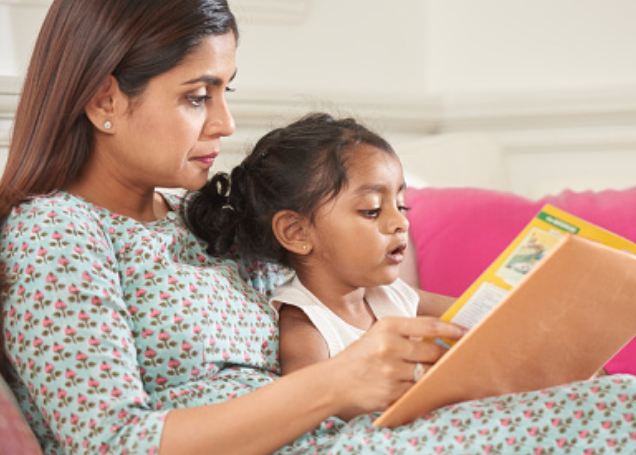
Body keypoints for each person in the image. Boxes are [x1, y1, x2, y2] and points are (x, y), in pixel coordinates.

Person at [0, 0, 636, 455]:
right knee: (596, 421)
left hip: (340, 448)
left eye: (226, 88)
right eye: (196, 95)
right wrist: (338, 386)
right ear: (105, 98)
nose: (225, 120)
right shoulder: (55, 236)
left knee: (594, 401)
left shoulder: (199, 217)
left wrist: (540, 309)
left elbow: (355, 295)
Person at [185, 113, 456, 379]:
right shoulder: (304, 325)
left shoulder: (393, 294)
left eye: (401, 205)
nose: (401, 222)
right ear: (297, 233)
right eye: (372, 210)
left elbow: (477, 315)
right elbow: (308, 402)